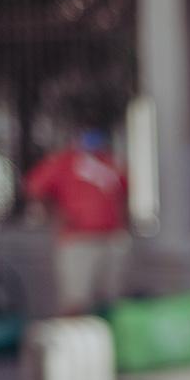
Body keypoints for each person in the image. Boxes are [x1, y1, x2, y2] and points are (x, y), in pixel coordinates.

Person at [24, 127, 129, 314]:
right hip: (78, 240)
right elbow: (35, 188)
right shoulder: (65, 161)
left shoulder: (111, 162)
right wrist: (56, 214)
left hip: (111, 238)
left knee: (111, 300)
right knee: (76, 301)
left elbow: (124, 192)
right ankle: (75, 341)